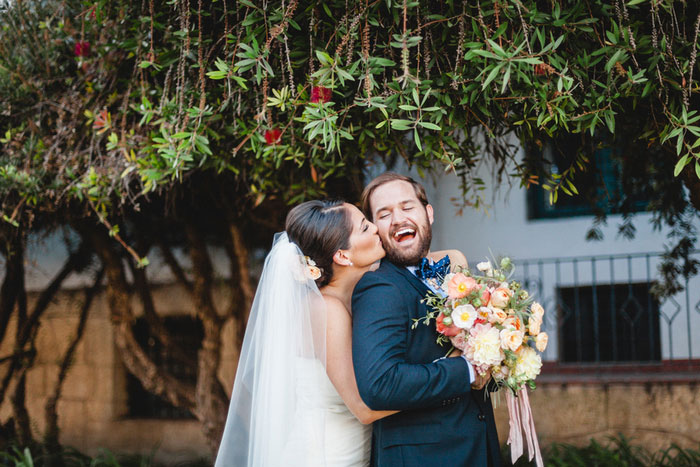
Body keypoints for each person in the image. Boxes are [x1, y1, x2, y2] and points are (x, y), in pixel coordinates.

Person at [216, 199, 457, 466]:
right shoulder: (327, 310)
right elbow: (364, 408)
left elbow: (446, 258)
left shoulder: (353, 298)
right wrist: (453, 373)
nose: (377, 228)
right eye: (365, 228)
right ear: (342, 255)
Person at [352, 172, 502, 466]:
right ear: (375, 230)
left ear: (428, 213)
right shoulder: (379, 288)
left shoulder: (452, 276)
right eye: (384, 214)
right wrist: (468, 369)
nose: (397, 219)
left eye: (407, 207)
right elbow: (381, 384)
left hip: (475, 446)